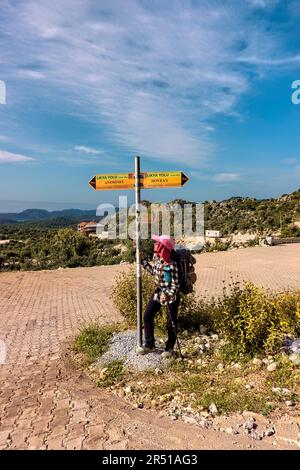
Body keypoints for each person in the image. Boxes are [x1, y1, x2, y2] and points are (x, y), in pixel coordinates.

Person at [137, 235, 180, 358]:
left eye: (157, 242)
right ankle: (150, 344)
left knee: (171, 323)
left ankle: (170, 348)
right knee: (147, 315)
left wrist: (166, 295)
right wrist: (143, 261)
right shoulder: (156, 258)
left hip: (171, 297)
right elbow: (153, 272)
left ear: (162, 246)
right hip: (158, 293)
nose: (154, 244)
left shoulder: (172, 263)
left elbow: (176, 285)